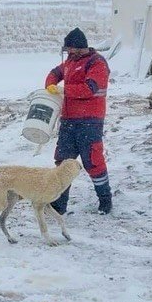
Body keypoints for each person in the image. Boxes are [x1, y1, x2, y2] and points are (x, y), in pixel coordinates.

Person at [45, 27, 112, 215]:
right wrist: (50, 83)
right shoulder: (69, 63)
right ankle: (59, 205)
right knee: (63, 162)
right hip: (68, 121)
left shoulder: (96, 63)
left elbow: (89, 88)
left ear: (79, 48)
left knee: (93, 161)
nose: (67, 53)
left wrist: (64, 90)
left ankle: (105, 200)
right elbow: (54, 73)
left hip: (90, 122)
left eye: (70, 50)